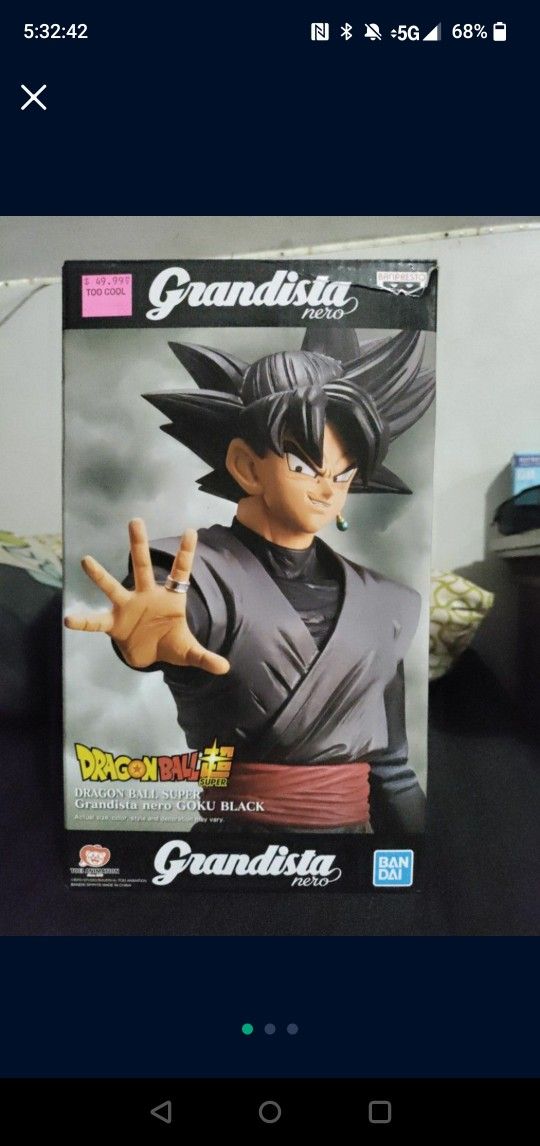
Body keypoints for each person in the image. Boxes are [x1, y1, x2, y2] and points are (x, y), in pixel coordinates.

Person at [65, 329, 434, 834]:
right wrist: (143, 644)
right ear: (245, 465)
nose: (327, 490)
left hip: (348, 856)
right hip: (232, 853)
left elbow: (392, 772)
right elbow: (167, 622)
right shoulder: (191, 575)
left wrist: (422, 862)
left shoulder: (385, 603)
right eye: (304, 465)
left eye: (343, 474)